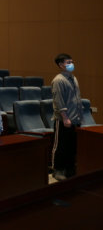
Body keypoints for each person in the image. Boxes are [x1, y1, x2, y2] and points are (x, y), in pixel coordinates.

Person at [51, 53, 83, 181]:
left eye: (72, 62)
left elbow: (76, 98)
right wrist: (65, 117)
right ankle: (57, 170)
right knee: (60, 146)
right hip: (63, 119)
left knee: (72, 146)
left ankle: (70, 169)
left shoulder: (73, 78)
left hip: (75, 118)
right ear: (61, 65)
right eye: (68, 62)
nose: (71, 64)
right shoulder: (58, 80)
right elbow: (58, 101)